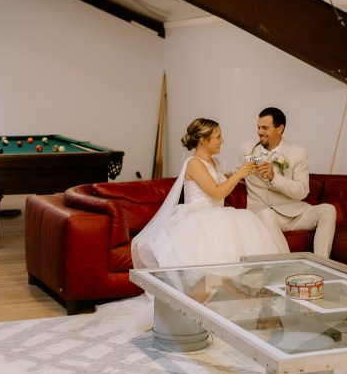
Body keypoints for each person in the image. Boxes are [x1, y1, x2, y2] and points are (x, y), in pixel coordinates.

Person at [131, 118, 289, 269]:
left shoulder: (215, 162)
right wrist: (239, 173)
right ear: (203, 140)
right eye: (218, 137)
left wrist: (248, 171)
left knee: (247, 220)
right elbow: (217, 193)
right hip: (198, 216)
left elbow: (222, 181)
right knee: (238, 223)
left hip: (217, 213)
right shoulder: (193, 163)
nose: (223, 141)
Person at [240, 106, 336, 258]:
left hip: (294, 214)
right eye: (258, 127)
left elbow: (302, 191)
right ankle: (289, 265)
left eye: (265, 128)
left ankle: (321, 263)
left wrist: (274, 177)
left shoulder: (298, 153)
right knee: (266, 214)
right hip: (263, 214)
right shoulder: (247, 149)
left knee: (328, 210)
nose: (259, 132)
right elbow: (237, 172)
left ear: (280, 128)